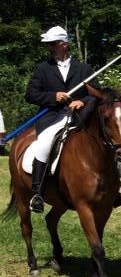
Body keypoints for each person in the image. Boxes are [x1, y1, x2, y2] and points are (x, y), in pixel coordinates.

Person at [25, 26, 96, 213]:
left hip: (80, 118)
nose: (50, 47)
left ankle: (117, 189)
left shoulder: (84, 68)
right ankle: (37, 193)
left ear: (64, 44)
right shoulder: (42, 69)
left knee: (102, 141)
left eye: (53, 44)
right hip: (52, 117)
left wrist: (82, 100)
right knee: (45, 144)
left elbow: (97, 94)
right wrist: (53, 96)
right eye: (49, 44)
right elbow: (31, 94)